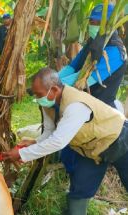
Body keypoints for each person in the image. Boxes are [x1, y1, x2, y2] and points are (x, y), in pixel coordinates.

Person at [3, 68, 128, 215]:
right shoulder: (47, 103)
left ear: (54, 89)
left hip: (119, 141)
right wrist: (35, 142)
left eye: (39, 94)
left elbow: (58, 141)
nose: (37, 99)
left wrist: (22, 154)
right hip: (92, 151)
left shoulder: (76, 105)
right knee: (79, 191)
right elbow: (50, 132)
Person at [58, 3, 127, 176]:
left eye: (98, 22)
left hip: (101, 112)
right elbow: (73, 68)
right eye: (92, 21)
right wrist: (54, 78)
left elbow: (85, 80)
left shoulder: (115, 51)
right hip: (81, 105)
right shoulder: (93, 43)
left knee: (92, 162)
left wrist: (53, 86)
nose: (93, 25)